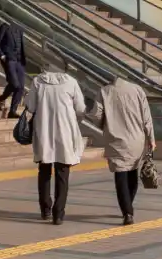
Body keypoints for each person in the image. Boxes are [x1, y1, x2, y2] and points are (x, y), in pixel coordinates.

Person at [24, 61, 87, 224]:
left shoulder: (38, 81)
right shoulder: (71, 82)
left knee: (44, 171)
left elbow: (30, 106)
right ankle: (58, 213)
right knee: (62, 173)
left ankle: (45, 210)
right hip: (64, 132)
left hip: (44, 131)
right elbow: (80, 108)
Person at [99, 75, 154, 225]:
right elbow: (146, 117)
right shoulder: (137, 90)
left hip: (115, 140)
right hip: (136, 139)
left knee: (120, 174)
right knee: (132, 172)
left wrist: (103, 124)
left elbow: (96, 115)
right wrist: (151, 139)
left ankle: (127, 211)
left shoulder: (105, 91)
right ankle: (129, 205)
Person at [0, 19, 27, 118]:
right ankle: (2, 98)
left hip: (19, 61)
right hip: (9, 60)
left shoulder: (20, 29)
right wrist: (2, 56)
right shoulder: (5, 27)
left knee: (21, 87)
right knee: (15, 84)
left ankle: (12, 111)